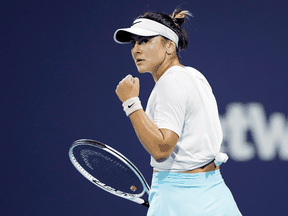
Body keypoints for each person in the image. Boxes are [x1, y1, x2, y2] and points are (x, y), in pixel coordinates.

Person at [114, 8, 242, 216]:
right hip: (215, 194)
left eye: (145, 41)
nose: (136, 49)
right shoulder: (194, 75)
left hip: (178, 197)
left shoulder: (170, 82)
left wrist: (130, 102)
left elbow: (162, 149)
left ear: (169, 46)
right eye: (134, 43)